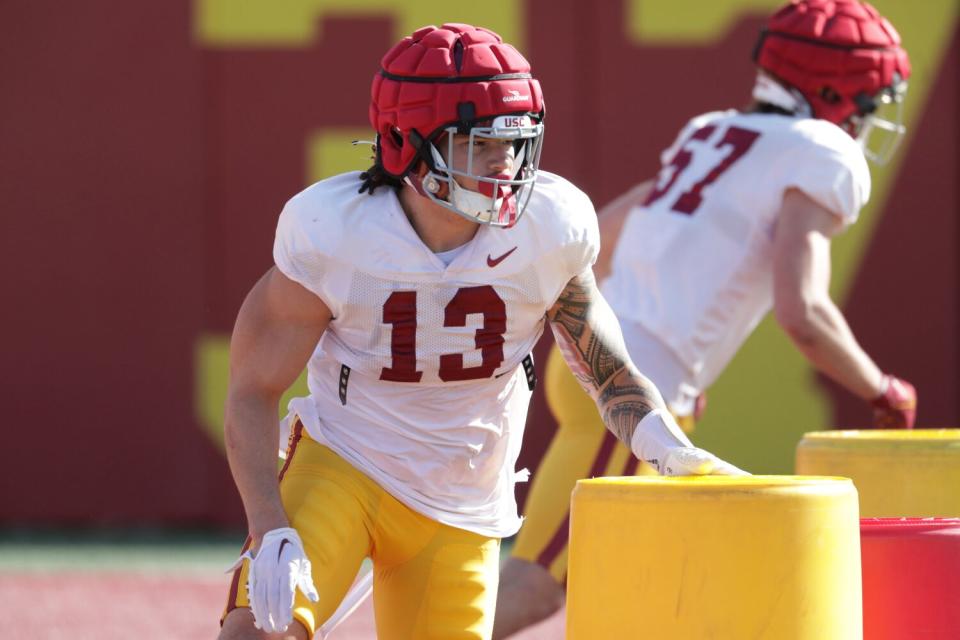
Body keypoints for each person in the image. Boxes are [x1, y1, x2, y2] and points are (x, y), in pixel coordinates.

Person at [217, 23, 743, 640]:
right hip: (345, 465)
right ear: (405, 143)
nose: (508, 165)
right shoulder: (336, 233)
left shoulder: (549, 228)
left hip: (462, 504)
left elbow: (609, 373)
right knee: (261, 630)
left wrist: (667, 446)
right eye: (480, 145)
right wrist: (269, 524)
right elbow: (252, 389)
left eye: (517, 143)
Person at [493, 1, 918, 637]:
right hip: (632, 390)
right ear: (834, 91)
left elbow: (605, 232)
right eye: (865, 102)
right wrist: (882, 389)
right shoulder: (822, 151)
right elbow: (803, 310)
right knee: (539, 584)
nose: (866, 119)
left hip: (605, 358)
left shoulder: (713, 131)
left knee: (634, 588)